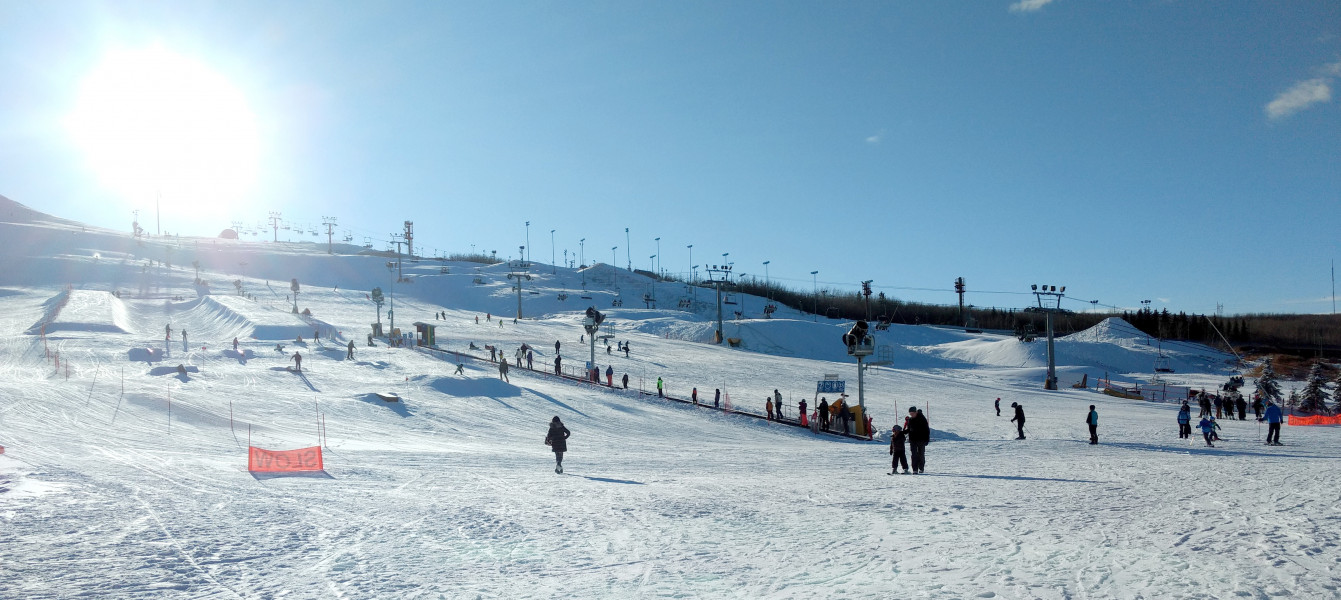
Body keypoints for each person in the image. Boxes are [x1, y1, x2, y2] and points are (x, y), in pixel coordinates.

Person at [906, 407, 929, 474]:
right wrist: (901, 433)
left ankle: (921, 468)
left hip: (921, 440)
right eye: (910, 414)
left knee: (921, 454)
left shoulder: (922, 419)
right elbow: (908, 429)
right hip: (913, 440)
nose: (911, 415)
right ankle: (915, 469)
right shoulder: (910, 420)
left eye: (912, 413)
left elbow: (927, 430)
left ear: (916, 412)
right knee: (914, 455)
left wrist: (927, 439)